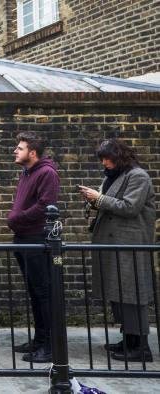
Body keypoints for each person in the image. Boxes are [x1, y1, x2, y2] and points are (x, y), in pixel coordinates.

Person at [79, 139, 155, 362]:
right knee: (118, 294)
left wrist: (99, 198)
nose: (104, 163)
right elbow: (108, 202)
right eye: (102, 159)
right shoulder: (114, 177)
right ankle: (129, 339)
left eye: (107, 158)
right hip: (114, 245)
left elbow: (130, 207)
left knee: (132, 294)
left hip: (129, 245)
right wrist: (92, 201)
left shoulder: (138, 176)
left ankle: (141, 347)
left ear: (119, 156)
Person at [7, 131, 59, 363]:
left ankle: (49, 346)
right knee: (34, 292)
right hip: (23, 238)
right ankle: (39, 340)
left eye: (20, 148)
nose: (15, 151)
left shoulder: (47, 173)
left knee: (43, 293)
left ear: (33, 152)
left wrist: (18, 218)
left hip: (36, 239)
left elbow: (45, 206)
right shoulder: (26, 172)